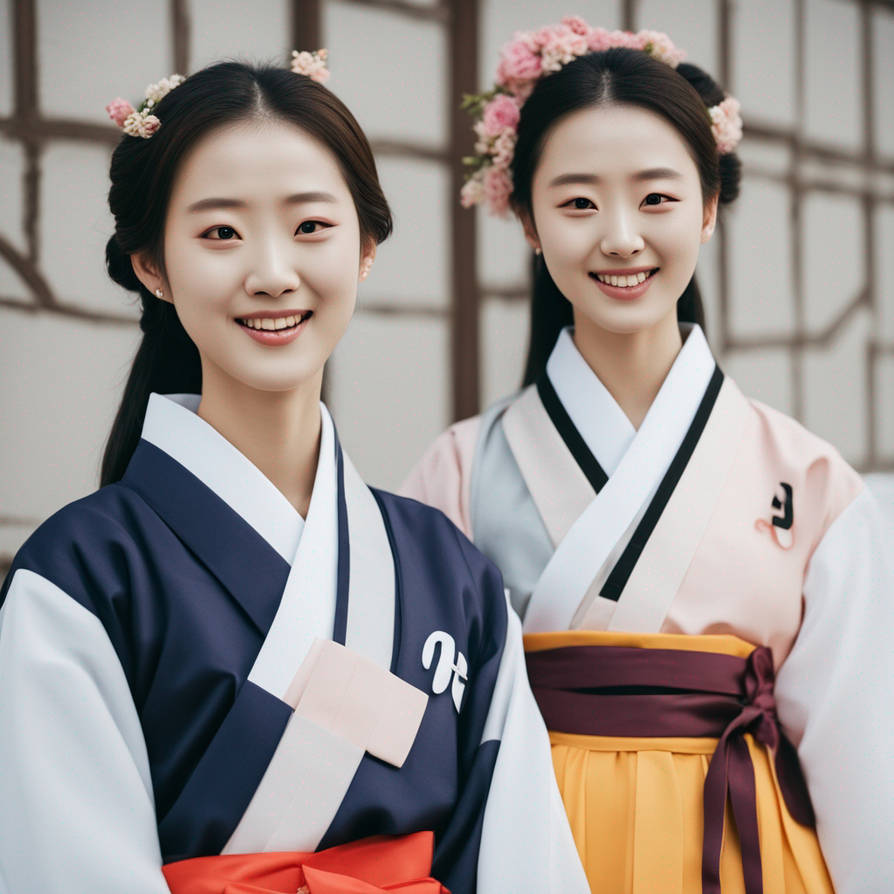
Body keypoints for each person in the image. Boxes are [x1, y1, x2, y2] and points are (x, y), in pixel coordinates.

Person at [0, 53, 588, 894]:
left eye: (310, 226)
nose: (273, 273)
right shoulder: (83, 577)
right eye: (220, 233)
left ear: (366, 247)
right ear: (151, 265)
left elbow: (520, 859)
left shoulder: (450, 573)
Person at [403, 19, 893, 894]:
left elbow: (864, 759)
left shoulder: (812, 481)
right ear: (527, 219)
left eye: (657, 198)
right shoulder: (460, 469)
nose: (621, 237)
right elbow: (421, 723)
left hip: (745, 853)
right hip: (528, 850)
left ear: (707, 209)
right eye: (578, 203)